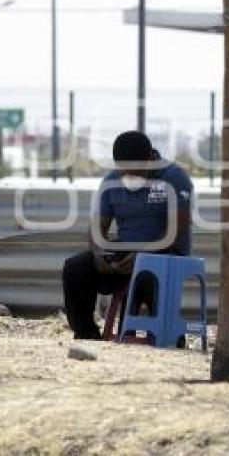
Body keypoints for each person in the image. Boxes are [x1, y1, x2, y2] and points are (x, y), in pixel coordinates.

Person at [62, 130, 193, 340]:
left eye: (136, 172)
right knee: (76, 267)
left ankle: (167, 337)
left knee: (150, 270)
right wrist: (98, 253)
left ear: (151, 158)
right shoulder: (111, 182)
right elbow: (97, 228)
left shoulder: (174, 177)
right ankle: (87, 334)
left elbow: (176, 230)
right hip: (126, 251)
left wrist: (142, 253)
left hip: (167, 253)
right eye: (124, 172)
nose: (129, 178)